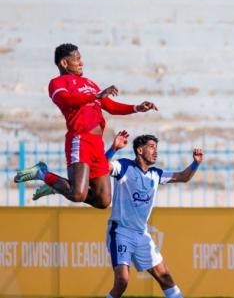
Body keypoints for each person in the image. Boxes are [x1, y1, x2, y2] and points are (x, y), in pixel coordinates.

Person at [13, 43, 157, 208]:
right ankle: (42, 174)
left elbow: (111, 106)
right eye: (77, 59)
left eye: (81, 59)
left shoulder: (90, 83)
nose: (81, 63)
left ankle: (58, 187)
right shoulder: (57, 83)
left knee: (103, 201)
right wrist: (95, 96)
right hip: (80, 140)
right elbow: (66, 100)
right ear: (64, 63)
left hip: (97, 144)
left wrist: (136, 108)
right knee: (77, 194)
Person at [105, 131, 204, 298]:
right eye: (151, 147)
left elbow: (183, 177)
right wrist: (113, 148)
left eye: (156, 147)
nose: (155, 151)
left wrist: (195, 164)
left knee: (165, 278)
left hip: (141, 234)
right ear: (140, 150)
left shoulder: (155, 174)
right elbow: (100, 166)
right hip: (120, 232)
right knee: (122, 282)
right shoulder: (124, 167)